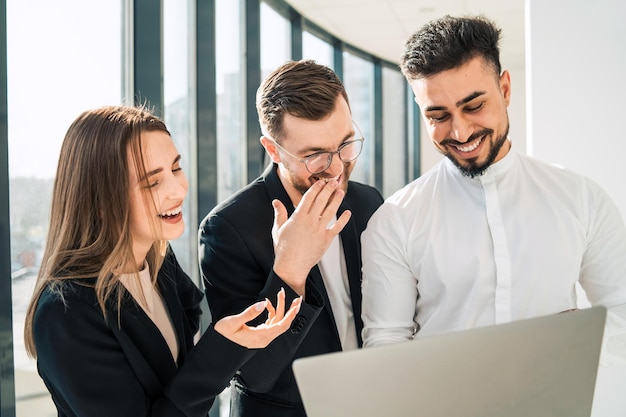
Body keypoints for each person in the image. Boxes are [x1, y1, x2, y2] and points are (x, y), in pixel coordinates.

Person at [361, 15, 626, 347]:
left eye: (474, 106)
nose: (460, 132)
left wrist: (573, 345)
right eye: (438, 116)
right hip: (446, 400)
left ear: (505, 89)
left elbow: (620, 307)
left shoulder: (581, 198)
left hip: (561, 398)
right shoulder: (395, 221)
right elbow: (386, 344)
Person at [23, 105, 302, 417]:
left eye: (176, 168)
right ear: (100, 201)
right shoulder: (65, 312)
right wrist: (219, 350)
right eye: (152, 182)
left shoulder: (159, 265)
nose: (178, 189)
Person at [198, 59, 384, 416]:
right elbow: (254, 373)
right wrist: (291, 271)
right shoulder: (228, 228)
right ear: (272, 150)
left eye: (345, 144)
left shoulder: (367, 201)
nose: (337, 168)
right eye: (314, 156)